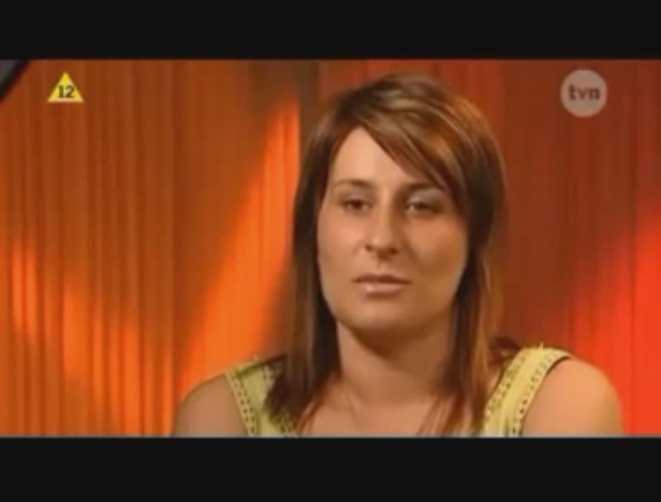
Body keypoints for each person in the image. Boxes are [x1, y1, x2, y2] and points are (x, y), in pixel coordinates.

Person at [172, 72, 623, 436]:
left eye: (421, 206)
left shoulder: (561, 407)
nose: (383, 238)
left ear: (474, 235)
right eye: (355, 204)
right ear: (314, 229)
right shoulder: (224, 418)